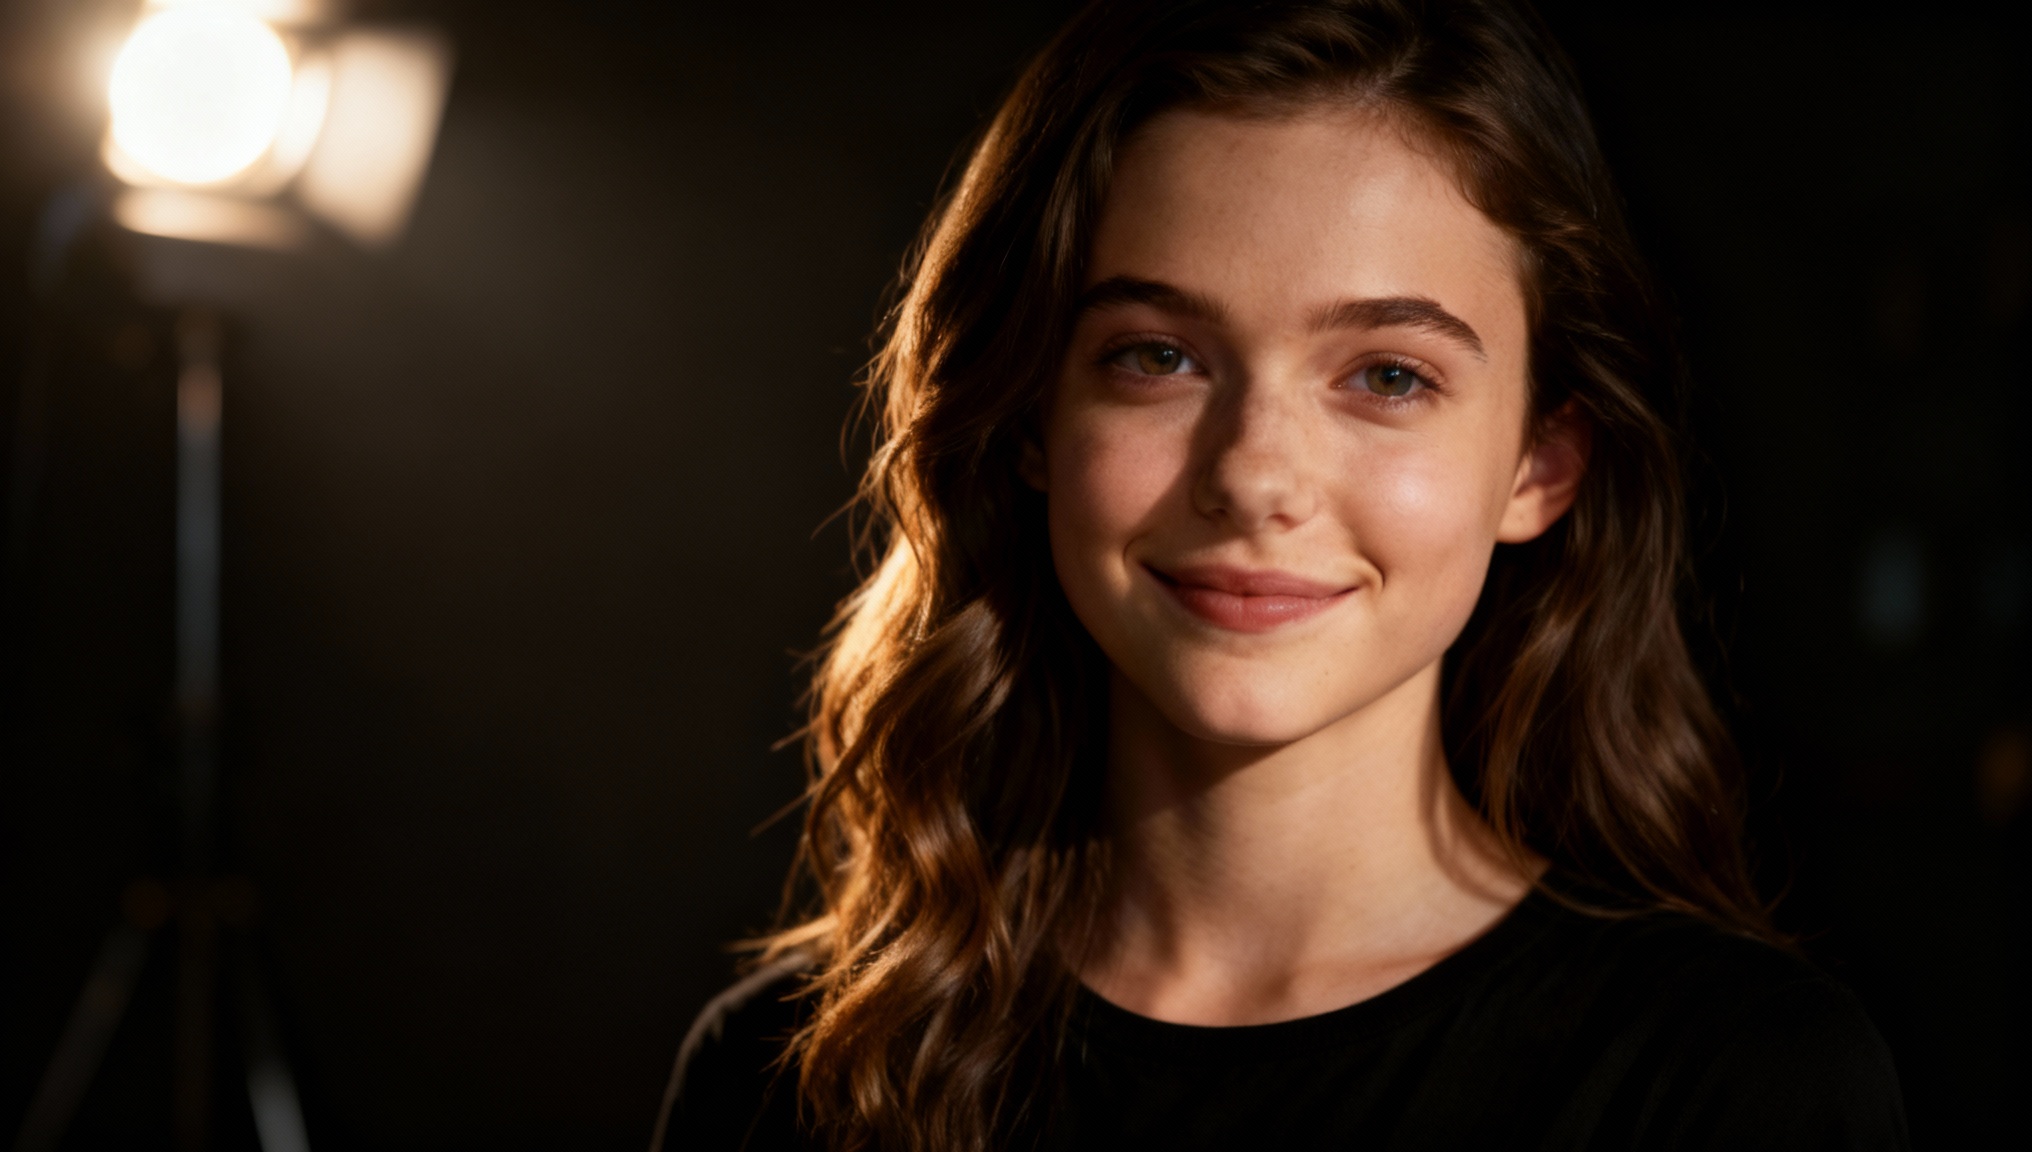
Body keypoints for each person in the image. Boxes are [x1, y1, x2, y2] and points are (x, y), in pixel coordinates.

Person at [656, 1, 1908, 1148]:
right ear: (1029, 418)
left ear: (1538, 462)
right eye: (1157, 356)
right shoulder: (784, 1077)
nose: (1254, 474)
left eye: (1386, 376)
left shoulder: (1732, 1086)